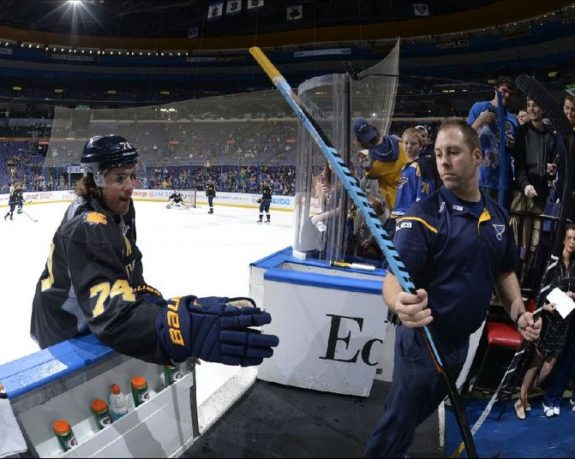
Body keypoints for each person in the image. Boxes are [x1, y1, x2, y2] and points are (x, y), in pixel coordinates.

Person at [364, 120, 542, 458]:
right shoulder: (423, 216)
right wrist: (399, 304)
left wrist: (518, 312)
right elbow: (392, 280)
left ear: (476, 156)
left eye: (454, 153)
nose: (444, 161)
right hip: (423, 343)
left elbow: (504, 274)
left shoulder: (499, 217)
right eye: (440, 154)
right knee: (398, 421)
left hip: (460, 345)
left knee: (417, 414)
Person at [30, 134, 279, 367]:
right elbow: (111, 314)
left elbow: (129, 266)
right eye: (119, 178)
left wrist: (162, 310)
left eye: (131, 176)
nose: (130, 186)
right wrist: (179, 331)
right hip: (65, 325)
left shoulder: (121, 209)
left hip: (89, 311)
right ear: (95, 180)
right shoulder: (88, 226)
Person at [515, 224, 575, 419]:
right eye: (570, 238)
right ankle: (521, 400)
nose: (572, 242)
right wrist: (542, 311)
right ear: (564, 240)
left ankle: (524, 395)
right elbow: (542, 291)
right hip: (548, 319)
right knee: (536, 362)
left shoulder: (573, 267)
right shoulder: (553, 263)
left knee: (548, 368)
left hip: (563, 322)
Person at [467, 75, 519, 208]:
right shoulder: (479, 108)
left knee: (499, 223)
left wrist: (513, 145)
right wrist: (480, 121)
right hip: (480, 179)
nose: (506, 95)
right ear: (495, 89)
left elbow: (517, 151)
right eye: (504, 90)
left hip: (503, 183)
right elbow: (465, 138)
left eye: (510, 93)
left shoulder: (513, 119)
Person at [352, 118, 408, 212]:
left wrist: (365, 158)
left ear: (359, 140)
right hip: (413, 195)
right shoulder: (396, 141)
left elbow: (369, 175)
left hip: (398, 205)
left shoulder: (372, 165)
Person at [390, 127, 436, 220]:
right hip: (398, 215)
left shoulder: (422, 166)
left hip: (411, 217)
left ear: (420, 146)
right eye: (406, 143)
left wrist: (417, 217)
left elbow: (425, 198)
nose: (409, 146)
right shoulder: (405, 167)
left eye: (413, 143)